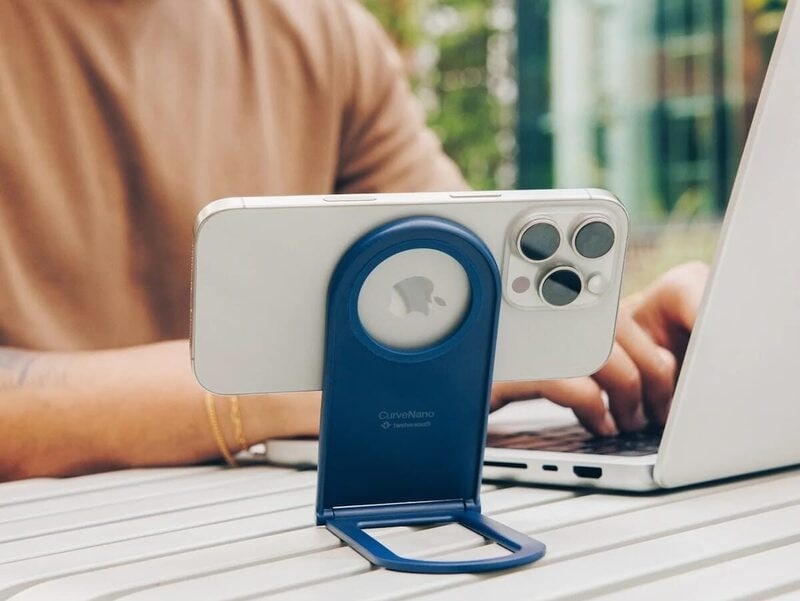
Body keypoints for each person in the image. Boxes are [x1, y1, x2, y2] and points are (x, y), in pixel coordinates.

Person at [0, 0, 709, 481]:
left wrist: (594, 337)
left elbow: (465, 275)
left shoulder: (324, 31)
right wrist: (315, 384)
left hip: (282, 521)